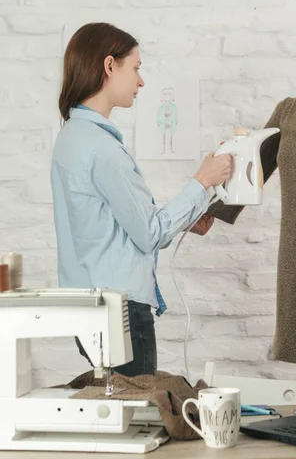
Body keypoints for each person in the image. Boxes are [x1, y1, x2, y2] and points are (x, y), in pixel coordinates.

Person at [51, 22, 232, 376]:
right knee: (138, 422)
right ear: (109, 66)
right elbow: (150, 233)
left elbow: (109, 222)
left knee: (117, 417)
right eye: (135, 68)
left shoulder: (72, 137)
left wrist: (186, 217)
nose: (141, 80)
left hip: (88, 309)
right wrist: (202, 181)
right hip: (120, 313)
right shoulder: (102, 147)